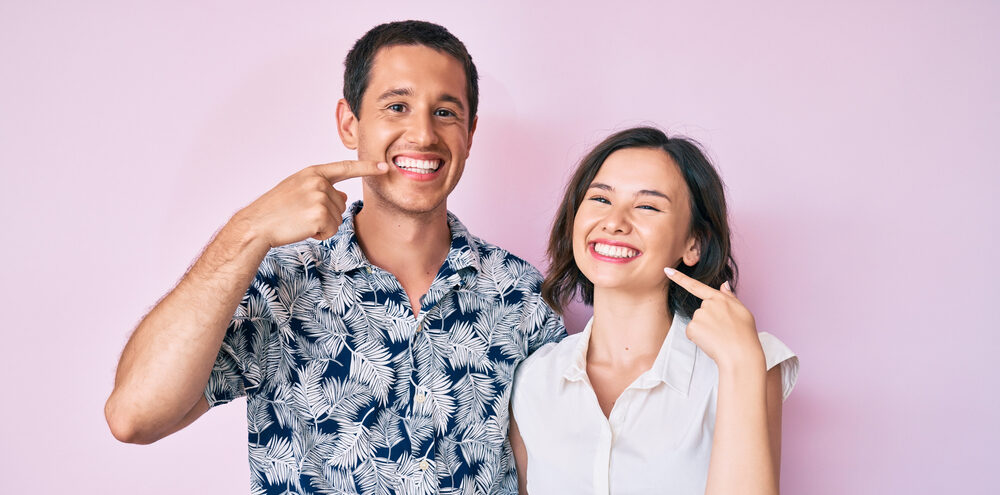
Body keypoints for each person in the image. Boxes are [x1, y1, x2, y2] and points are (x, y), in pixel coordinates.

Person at [104, 20, 565, 495]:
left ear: (470, 132)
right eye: (397, 106)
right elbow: (133, 416)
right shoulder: (281, 283)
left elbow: (547, 473)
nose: (423, 134)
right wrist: (249, 229)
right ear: (350, 123)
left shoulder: (520, 295)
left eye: (445, 112)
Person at [509, 127, 799, 495]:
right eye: (600, 199)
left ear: (694, 244)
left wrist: (741, 363)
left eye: (647, 206)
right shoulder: (534, 378)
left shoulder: (744, 362)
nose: (614, 222)